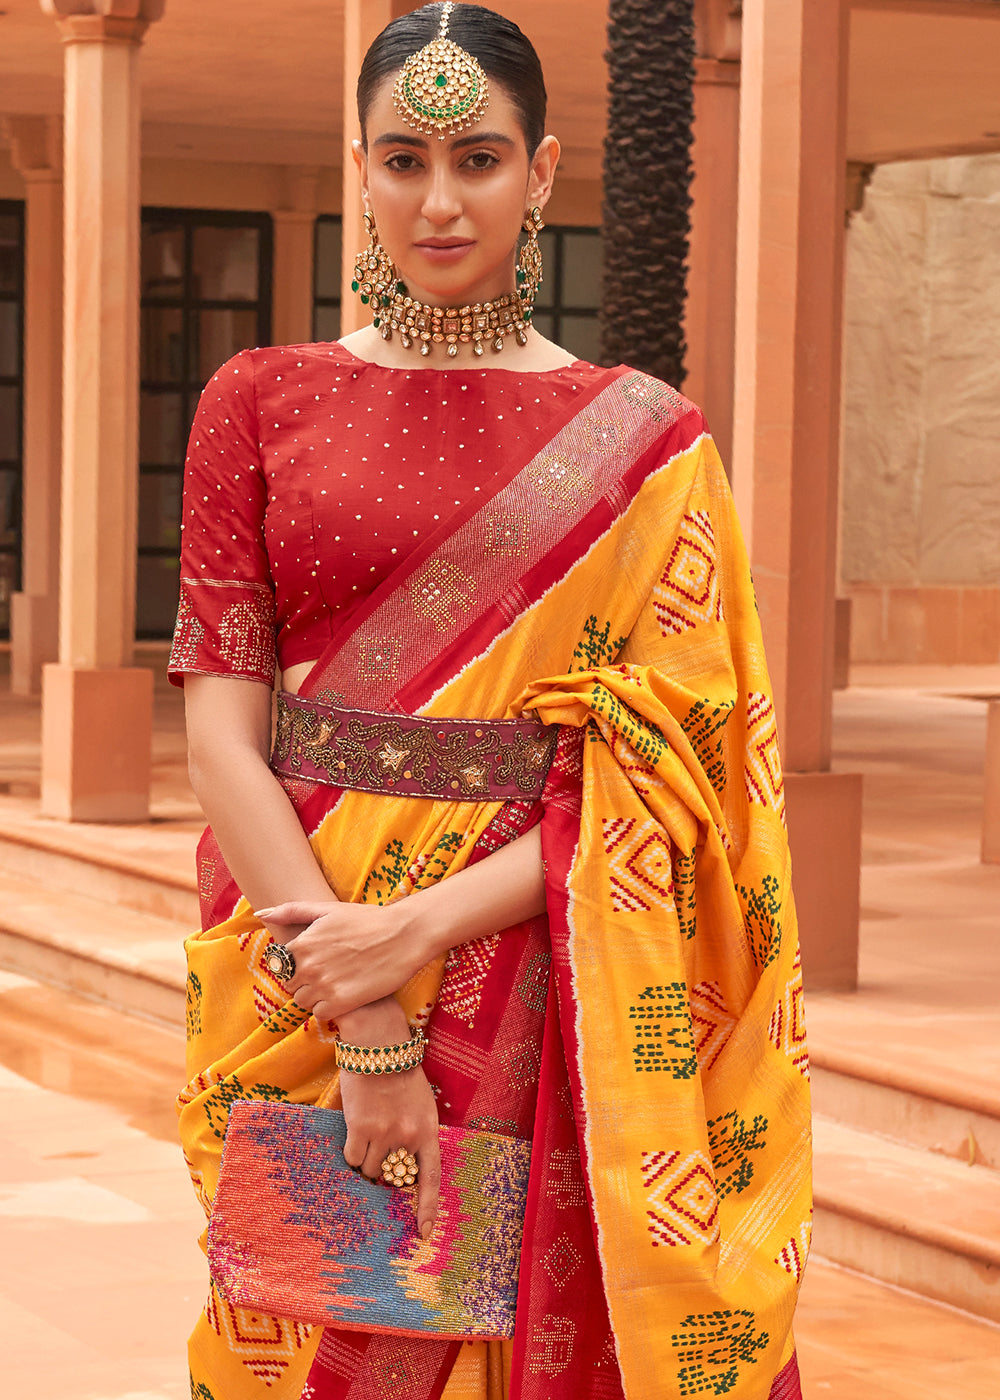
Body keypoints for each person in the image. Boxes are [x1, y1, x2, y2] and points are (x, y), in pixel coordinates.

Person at [172, 5, 811, 1398]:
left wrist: (412, 936)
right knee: (300, 1326)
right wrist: (362, 1010)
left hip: (541, 956)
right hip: (300, 946)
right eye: (404, 159)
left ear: (543, 169)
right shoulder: (259, 397)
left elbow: (672, 766)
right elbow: (221, 728)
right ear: (359, 166)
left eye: (479, 157)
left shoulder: (645, 438)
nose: (440, 197)